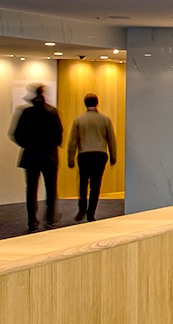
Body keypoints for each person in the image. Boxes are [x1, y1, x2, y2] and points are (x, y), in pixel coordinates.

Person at [10, 85, 63, 232]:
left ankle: (32, 221)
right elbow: (59, 133)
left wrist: (26, 144)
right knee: (51, 189)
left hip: (31, 156)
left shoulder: (26, 112)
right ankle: (51, 218)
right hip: (50, 156)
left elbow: (15, 133)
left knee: (31, 190)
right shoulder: (52, 112)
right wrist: (53, 145)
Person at [66, 93, 117, 222]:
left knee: (83, 184)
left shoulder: (79, 120)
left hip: (84, 155)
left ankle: (81, 210)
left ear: (85, 103)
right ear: (97, 103)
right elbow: (111, 139)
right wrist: (113, 156)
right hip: (100, 155)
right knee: (95, 186)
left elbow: (73, 141)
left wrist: (70, 158)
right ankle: (91, 213)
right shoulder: (105, 120)